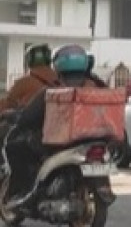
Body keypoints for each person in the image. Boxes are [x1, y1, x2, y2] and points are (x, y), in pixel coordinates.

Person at [2, 44, 95, 208]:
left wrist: (14, 116)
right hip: (92, 138)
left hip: (58, 140)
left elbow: (27, 116)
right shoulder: (95, 88)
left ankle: (22, 191)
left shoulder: (51, 91)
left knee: (14, 146)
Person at [0, 44, 57, 113]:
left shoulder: (22, 82)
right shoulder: (60, 79)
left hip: (31, 121)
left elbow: (9, 103)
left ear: (29, 60)